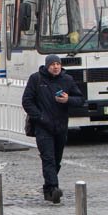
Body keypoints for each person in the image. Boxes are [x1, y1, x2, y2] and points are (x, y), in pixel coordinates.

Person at [21, 54, 84, 204]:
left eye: (58, 64)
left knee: (56, 159)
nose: (56, 67)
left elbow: (80, 99)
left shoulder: (67, 80)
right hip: (43, 127)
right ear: (47, 66)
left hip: (61, 126)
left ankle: (48, 188)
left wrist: (68, 99)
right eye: (53, 64)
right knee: (48, 158)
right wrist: (40, 117)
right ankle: (54, 188)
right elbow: (27, 101)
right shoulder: (36, 79)